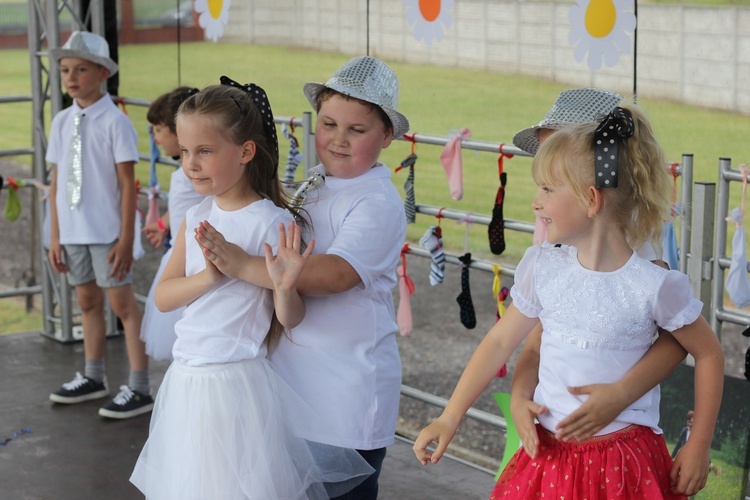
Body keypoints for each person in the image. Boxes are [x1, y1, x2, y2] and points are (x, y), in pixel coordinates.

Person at [413, 102, 725, 498]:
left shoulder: (654, 284)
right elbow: (498, 343)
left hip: (623, 464)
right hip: (548, 460)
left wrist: (698, 444)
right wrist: (450, 416)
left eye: (546, 189)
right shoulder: (542, 267)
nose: (536, 202)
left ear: (591, 200)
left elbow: (710, 353)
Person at [129, 82, 373, 498]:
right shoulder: (197, 216)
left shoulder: (271, 221)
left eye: (205, 151)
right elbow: (165, 297)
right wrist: (209, 277)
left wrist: (283, 284)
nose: (191, 164)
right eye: (186, 151)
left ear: (244, 152)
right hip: (187, 382)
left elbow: (291, 317)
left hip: (235, 384)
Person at [194, 56, 409, 499]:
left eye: (357, 130)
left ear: (387, 135)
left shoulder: (377, 202)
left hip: (344, 392)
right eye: (329, 124)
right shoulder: (316, 180)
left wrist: (240, 264)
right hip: (293, 388)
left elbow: (335, 274)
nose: (338, 140)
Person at [509, 89, 690, 459]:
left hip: (612, 441)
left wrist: (621, 394)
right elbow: (535, 341)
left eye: (553, 176)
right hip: (550, 428)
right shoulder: (556, 245)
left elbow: (679, 339)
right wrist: (519, 395)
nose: (538, 197)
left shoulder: (638, 259)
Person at [46, 31, 153, 419]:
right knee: (87, 302)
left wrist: (126, 239)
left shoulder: (115, 122)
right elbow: (57, 182)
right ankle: (94, 377)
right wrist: (55, 235)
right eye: (64, 70)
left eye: (81, 69)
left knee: (122, 304)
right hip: (73, 230)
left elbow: (127, 184)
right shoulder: (61, 121)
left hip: (107, 231)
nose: (71, 77)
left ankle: (140, 386)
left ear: (103, 72)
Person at [139, 86, 204, 361]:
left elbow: (205, 205)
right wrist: (165, 222)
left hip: (190, 260)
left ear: (178, 131)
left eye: (157, 130)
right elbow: (186, 206)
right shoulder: (184, 170)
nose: (154, 138)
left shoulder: (194, 171)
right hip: (177, 253)